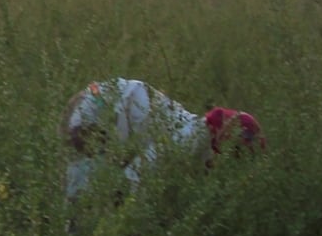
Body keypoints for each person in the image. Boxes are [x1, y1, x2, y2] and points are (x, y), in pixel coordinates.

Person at [63, 78, 266, 198]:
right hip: (97, 108)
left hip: (107, 101)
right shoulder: (187, 141)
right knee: (83, 194)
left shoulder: (198, 135)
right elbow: (136, 175)